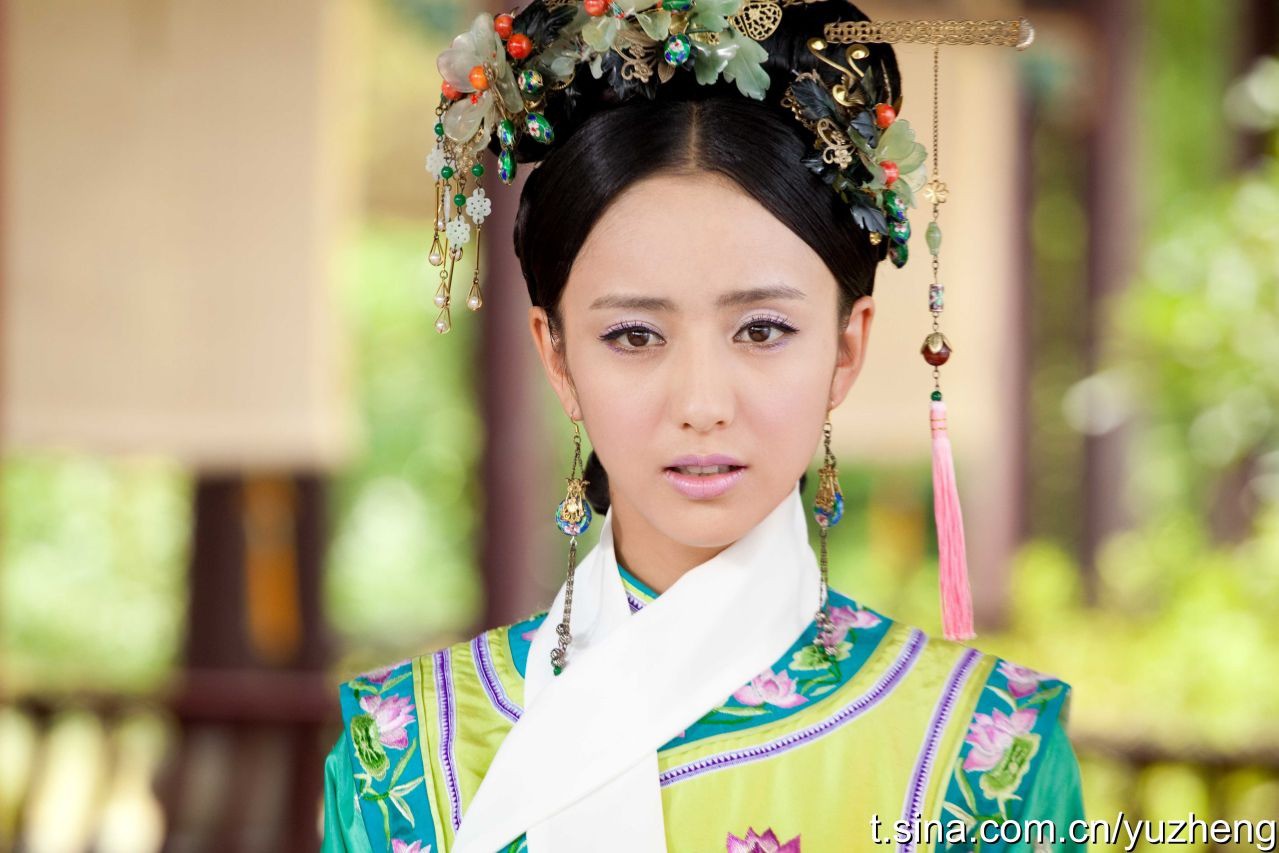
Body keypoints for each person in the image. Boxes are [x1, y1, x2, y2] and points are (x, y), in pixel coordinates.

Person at [323, 2, 1083, 851]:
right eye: (633, 335)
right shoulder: (399, 750)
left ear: (846, 347)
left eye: (761, 330)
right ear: (558, 357)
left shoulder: (985, 757)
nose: (701, 402)